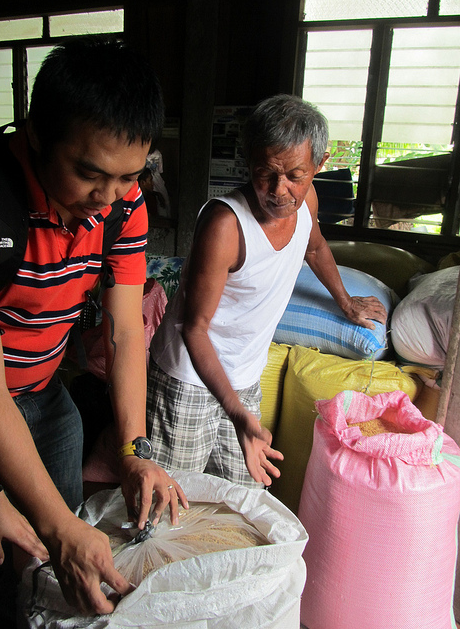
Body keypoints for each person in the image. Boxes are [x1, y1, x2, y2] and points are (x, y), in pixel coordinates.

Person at [0, 36, 187, 617]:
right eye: (90, 174)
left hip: (45, 400)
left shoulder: (123, 205)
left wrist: (134, 448)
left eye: (127, 176)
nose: (106, 199)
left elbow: (125, 332)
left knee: (55, 561)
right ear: (36, 135)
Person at [146, 94, 387, 488]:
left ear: (319, 165)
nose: (279, 190)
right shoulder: (225, 224)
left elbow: (315, 247)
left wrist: (346, 303)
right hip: (187, 380)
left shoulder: (306, 200)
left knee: (244, 497)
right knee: (174, 499)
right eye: (265, 173)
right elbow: (194, 329)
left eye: (294, 175)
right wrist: (238, 413)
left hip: (244, 377)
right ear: (249, 162)